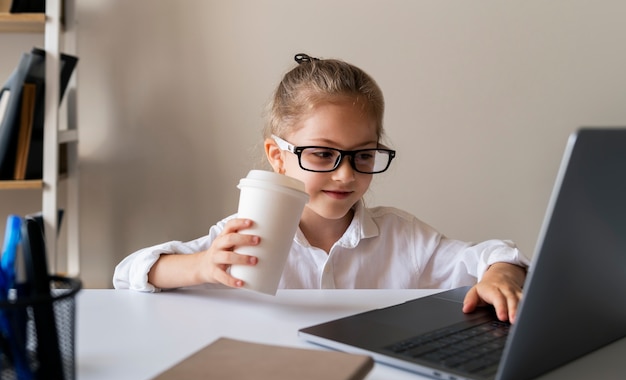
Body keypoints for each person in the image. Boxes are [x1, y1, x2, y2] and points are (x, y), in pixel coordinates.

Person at [113, 53, 529, 323]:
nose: (346, 176)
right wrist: (202, 266)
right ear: (278, 156)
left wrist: (502, 274)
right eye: (321, 154)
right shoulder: (240, 238)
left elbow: (491, 255)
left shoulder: (403, 238)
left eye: (363, 155)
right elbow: (129, 273)